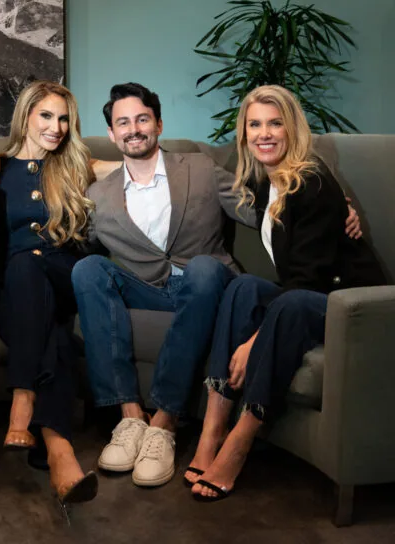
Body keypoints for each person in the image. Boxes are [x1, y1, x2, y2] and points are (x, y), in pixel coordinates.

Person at [71, 83, 362, 489]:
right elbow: (74, 239)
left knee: (206, 268)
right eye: (123, 122)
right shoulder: (97, 195)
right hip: (151, 290)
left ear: (158, 123)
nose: (134, 129)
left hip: (207, 288)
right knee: (87, 270)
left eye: (142, 119)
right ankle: (130, 418)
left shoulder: (202, 168)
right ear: (111, 134)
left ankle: (166, 422)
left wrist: (341, 203)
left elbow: (270, 204)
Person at [187, 85, 386, 501]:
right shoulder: (266, 184)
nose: (265, 133)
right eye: (255, 124)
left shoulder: (310, 180)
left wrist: (252, 344)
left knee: (291, 301)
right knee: (242, 286)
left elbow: (307, 283)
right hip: (311, 294)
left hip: (354, 306)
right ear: (244, 133)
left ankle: (242, 438)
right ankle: (213, 428)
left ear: (292, 128)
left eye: (275, 123)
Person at [0, 80, 98, 507]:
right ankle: (60, 452)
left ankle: (22, 400)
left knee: (30, 262)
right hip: (12, 293)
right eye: (46, 115)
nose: (57, 127)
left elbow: (139, 166)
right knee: (57, 338)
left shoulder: (77, 164)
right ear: (25, 116)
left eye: (64, 118)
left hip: (63, 280)